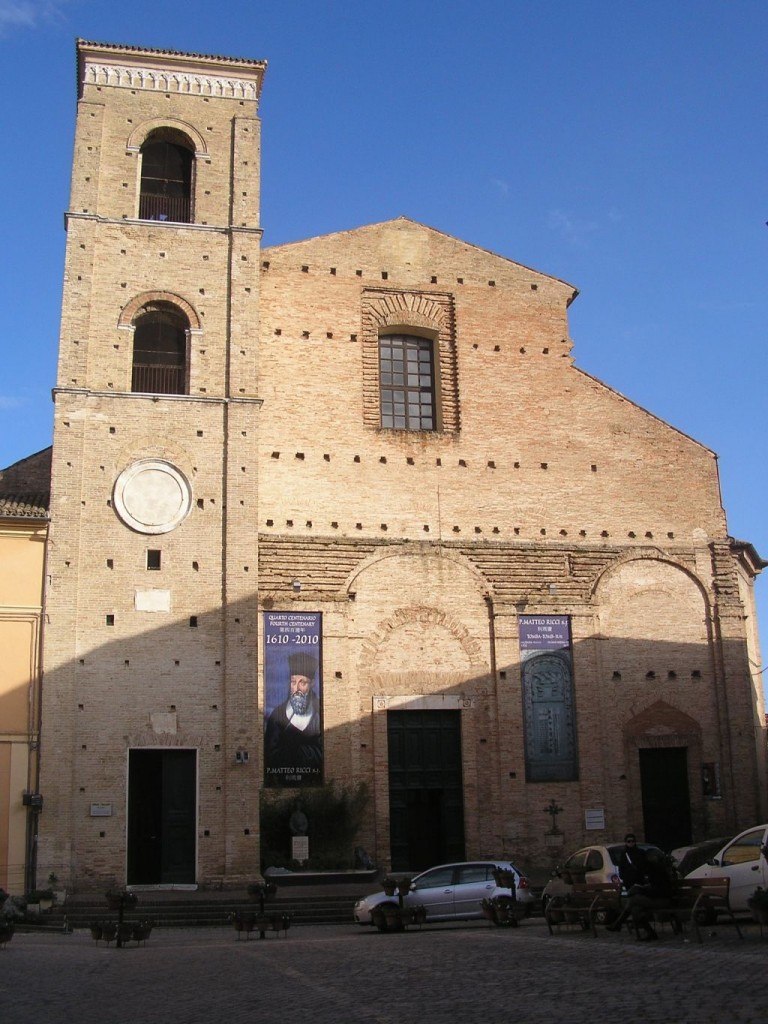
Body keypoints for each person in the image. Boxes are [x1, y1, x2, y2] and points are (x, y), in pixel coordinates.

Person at [264, 652, 322, 785]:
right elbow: (269, 755)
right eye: (293, 682)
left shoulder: (320, 712)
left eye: (302, 683)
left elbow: (324, 752)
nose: (296, 688)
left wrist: (295, 749)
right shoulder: (277, 715)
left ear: (312, 684)